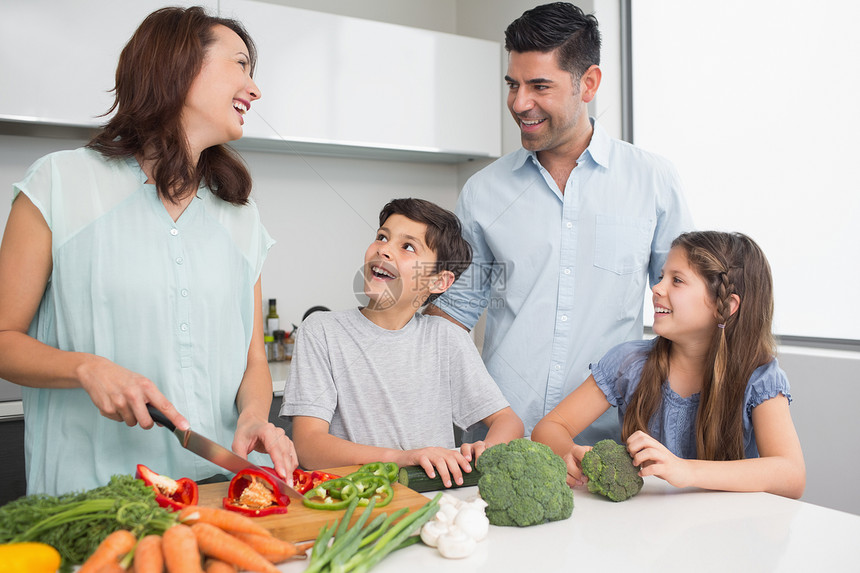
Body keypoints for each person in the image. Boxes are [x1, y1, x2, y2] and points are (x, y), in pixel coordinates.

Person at [0, 6, 297, 495]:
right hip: (89, 500)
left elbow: (254, 366)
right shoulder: (59, 183)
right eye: (240, 64)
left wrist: (252, 417)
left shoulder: (241, 220)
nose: (255, 88)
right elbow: (5, 337)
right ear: (178, 65)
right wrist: (85, 367)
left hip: (217, 493)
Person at [425, 2, 694, 443]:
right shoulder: (483, 190)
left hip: (608, 441)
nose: (519, 102)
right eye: (513, 84)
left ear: (588, 83)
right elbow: (453, 315)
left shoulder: (653, 181)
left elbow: (687, 310)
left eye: (539, 86)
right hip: (500, 434)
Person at [532, 231, 806, 498]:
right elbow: (549, 427)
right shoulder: (629, 363)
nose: (657, 287)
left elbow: (791, 475)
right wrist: (567, 451)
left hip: (727, 531)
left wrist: (685, 470)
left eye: (677, 280)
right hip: (646, 530)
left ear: (725, 306)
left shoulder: (759, 378)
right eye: (662, 276)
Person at [280, 198, 524, 487]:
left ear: (439, 282)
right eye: (382, 236)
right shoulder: (322, 331)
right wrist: (402, 458)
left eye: (408, 246)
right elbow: (309, 447)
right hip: (355, 500)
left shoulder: (446, 338)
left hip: (434, 503)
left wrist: (487, 450)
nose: (383, 248)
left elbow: (509, 421)